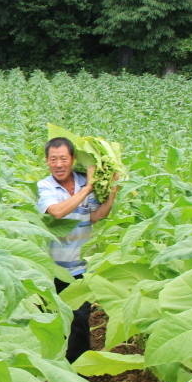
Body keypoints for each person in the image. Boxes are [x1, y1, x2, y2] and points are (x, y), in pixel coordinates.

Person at [36, 136, 118, 363]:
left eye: (63, 158)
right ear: (47, 161)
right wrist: (89, 187)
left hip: (80, 268)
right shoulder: (45, 186)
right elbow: (57, 212)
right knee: (54, 321)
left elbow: (95, 216)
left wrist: (113, 191)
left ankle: (80, 372)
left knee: (80, 319)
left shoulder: (83, 182)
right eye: (54, 159)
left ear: (72, 159)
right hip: (53, 270)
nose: (59, 164)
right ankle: (54, 366)